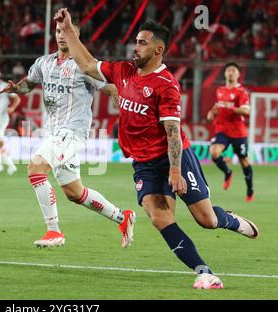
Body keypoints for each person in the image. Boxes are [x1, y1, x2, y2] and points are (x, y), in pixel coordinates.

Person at [54, 8, 259, 289]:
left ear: (158, 49)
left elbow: (172, 131)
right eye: (136, 41)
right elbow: (88, 64)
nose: (135, 47)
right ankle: (204, 272)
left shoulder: (166, 85)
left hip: (174, 158)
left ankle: (231, 220)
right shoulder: (123, 71)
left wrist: (175, 170)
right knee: (159, 216)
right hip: (144, 162)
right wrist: (67, 30)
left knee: (207, 220)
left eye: (142, 43)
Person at [0, 16, 136, 249]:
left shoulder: (85, 65)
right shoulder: (44, 63)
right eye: (58, 31)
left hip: (72, 133)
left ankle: (54, 231)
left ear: (76, 36)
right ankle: (123, 218)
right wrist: (16, 89)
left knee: (35, 167)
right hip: (53, 133)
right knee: (74, 192)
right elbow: (29, 84)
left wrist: (124, 110)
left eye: (67, 31)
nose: (62, 35)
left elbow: (111, 86)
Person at [206, 62, 254, 202]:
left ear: (238, 74)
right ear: (225, 73)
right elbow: (216, 108)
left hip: (238, 132)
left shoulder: (242, 92)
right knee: (214, 152)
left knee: (243, 160)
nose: (231, 72)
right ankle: (228, 172)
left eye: (233, 70)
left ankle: (250, 190)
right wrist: (211, 113)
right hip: (222, 130)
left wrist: (231, 107)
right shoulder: (220, 90)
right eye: (228, 70)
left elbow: (246, 111)